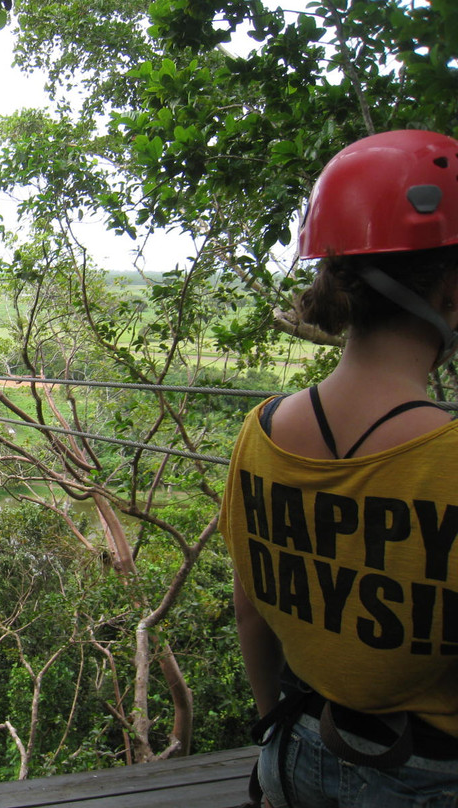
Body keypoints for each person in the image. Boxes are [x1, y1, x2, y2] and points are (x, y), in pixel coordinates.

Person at [220, 129, 458, 808]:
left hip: (298, 754)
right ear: (450, 289)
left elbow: (251, 612)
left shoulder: (261, 433)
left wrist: (272, 728)